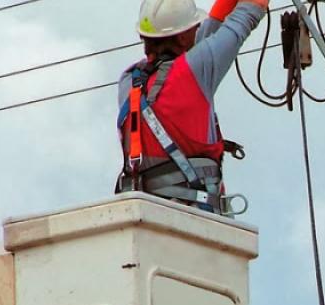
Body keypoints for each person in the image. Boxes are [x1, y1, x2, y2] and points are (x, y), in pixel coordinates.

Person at [115, 0, 269, 215]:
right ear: (181, 37)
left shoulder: (129, 81)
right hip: (195, 215)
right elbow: (244, 18)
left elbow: (204, 39)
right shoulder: (194, 70)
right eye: (194, 27)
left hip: (146, 211)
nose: (199, 29)